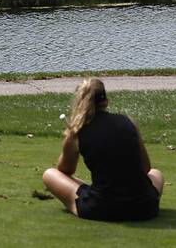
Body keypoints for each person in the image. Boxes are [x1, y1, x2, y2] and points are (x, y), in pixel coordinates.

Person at [42, 78, 164, 221]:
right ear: (106, 101)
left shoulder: (76, 132)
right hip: (145, 207)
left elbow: (65, 170)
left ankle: (96, 194)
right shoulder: (129, 121)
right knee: (157, 174)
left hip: (101, 208)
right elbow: (146, 168)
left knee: (49, 174)